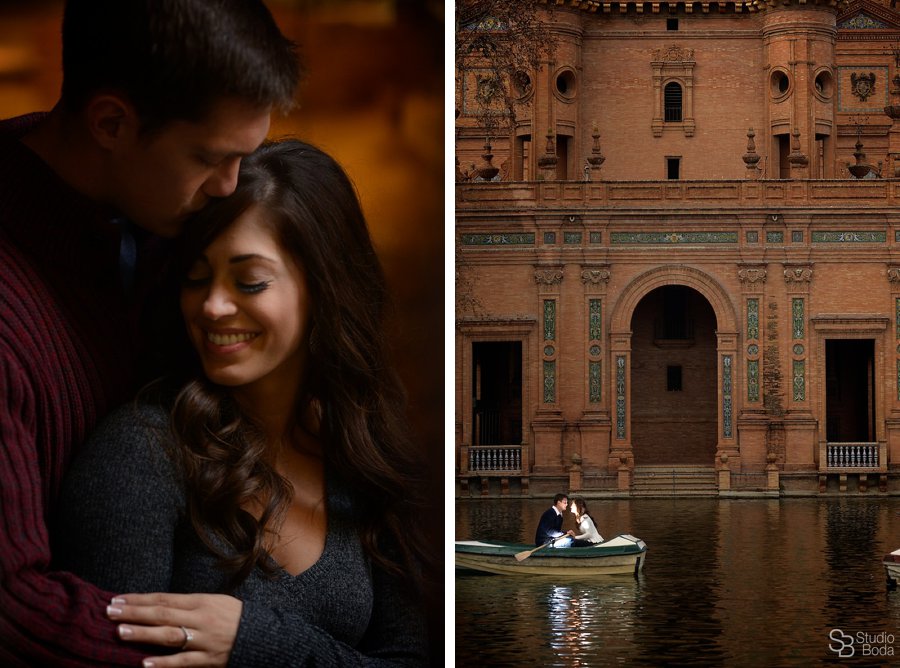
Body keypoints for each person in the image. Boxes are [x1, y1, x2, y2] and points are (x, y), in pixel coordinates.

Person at [0, 1, 299, 665]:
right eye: (208, 158)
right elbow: (10, 611)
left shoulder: (157, 210)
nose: (231, 188)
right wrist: (254, 650)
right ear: (109, 122)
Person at [54, 139, 430, 666]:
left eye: (250, 281)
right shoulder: (143, 453)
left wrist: (255, 642)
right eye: (197, 277)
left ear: (323, 288)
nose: (212, 306)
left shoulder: (361, 454)